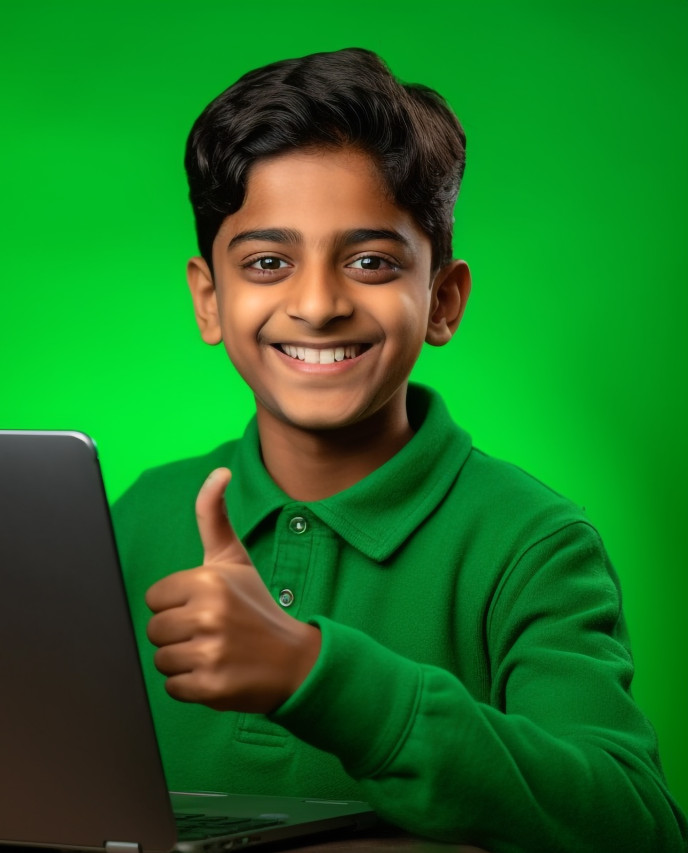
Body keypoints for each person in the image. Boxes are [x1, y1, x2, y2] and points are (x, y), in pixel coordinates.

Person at [111, 48, 687, 853]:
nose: (317, 304)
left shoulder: (532, 544)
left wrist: (320, 674)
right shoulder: (137, 516)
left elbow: (638, 827)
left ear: (442, 300)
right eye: (269, 263)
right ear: (211, 299)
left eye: (371, 261)